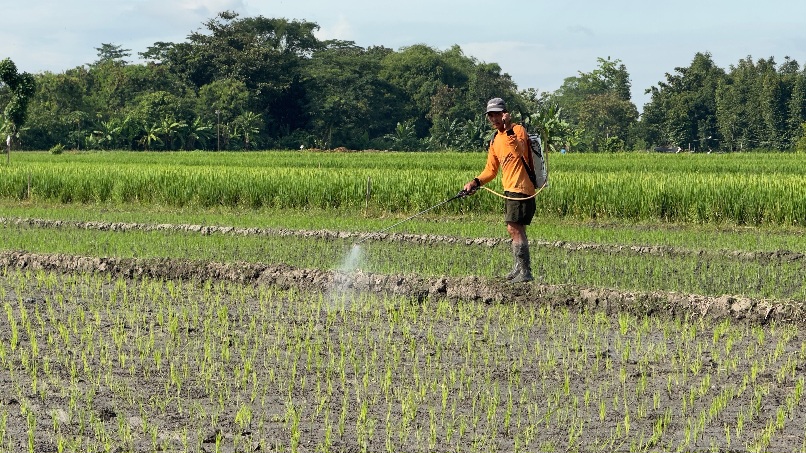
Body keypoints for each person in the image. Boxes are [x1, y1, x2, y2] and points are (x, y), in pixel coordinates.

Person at [463, 97, 536, 283]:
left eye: (497, 114)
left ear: (504, 114)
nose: (494, 119)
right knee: (515, 229)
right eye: (490, 115)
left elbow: (519, 150)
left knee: (513, 228)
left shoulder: (518, 130)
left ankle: (525, 272)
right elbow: (491, 170)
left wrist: (509, 127)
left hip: (521, 187)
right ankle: (519, 268)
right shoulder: (495, 140)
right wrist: (475, 182)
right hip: (509, 189)